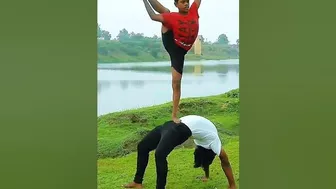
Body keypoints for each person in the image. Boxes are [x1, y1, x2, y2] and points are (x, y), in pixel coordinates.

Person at [123, 115, 237, 189]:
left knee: (160, 154)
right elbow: (214, 160)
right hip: (173, 125)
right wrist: (208, 177)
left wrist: (232, 185)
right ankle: (137, 182)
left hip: (176, 126)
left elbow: (219, 160)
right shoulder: (209, 141)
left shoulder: (211, 140)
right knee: (142, 146)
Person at [142, 0, 201, 123]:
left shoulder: (193, 11)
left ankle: (174, 115)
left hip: (182, 51)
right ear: (177, 5)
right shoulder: (172, 17)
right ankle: (174, 116)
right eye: (182, 2)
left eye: (187, 1)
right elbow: (153, 16)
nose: (186, 4)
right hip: (172, 45)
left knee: (177, 84)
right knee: (176, 83)